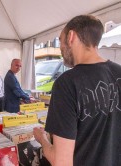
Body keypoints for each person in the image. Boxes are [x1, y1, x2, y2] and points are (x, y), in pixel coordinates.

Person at [33, 15, 121, 166]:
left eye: (60, 40)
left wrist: (42, 138)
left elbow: (61, 162)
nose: (60, 48)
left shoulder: (66, 83)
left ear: (71, 36)